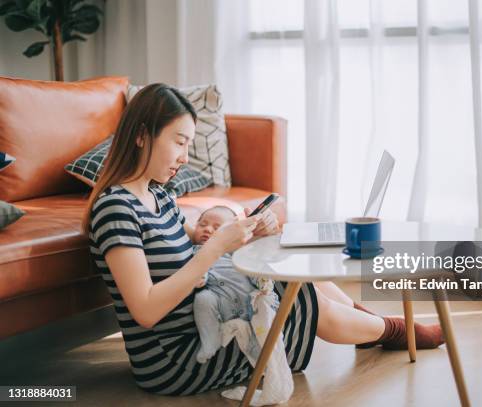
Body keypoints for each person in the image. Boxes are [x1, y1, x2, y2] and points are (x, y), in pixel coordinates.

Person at [84, 83, 444, 396]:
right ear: (142, 135)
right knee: (294, 296)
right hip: (178, 358)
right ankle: (396, 331)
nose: (184, 157)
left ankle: (373, 325)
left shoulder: (159, 194)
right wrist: (215, 247)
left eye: (189, 144)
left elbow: (188, 238)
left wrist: (245, 229)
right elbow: (145, 311)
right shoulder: (116, 209)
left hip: (204, 321)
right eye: (179, 142)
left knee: (289, 280)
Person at [190, 205, 278, 363]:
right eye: (202, 224)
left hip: (247, 297)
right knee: (203, 299)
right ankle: (210, 340)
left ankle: (262, 352)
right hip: (220, 301)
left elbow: (251, 261)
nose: (208, 229)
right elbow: (196, 265)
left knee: (260, 320)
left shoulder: (233, 248)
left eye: (217, 228)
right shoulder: (194, 250)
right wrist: (199, 276)